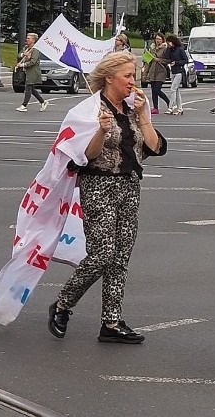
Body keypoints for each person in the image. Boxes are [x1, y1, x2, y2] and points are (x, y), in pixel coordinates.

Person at [47, 51, 166, 343]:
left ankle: (111, 323)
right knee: (102, 254)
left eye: (133, 76)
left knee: (120, 257)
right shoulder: (90, 109)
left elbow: (155, 147)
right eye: (127, 76)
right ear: (110, 77)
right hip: (99, 185)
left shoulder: (131, 108)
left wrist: (143, 117)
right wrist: (100, 130)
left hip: (129, 185)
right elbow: (85, 156)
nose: (132, 81)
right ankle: (62, 304)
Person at [15, 33, 48, 113]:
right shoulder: (26, 48)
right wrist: (24, 54)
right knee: (31, 88)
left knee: (28, 88)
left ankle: (24, 105)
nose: (27, 39)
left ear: (33, 40)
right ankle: (43, 102)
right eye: (27, 38)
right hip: (27, 71)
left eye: (29, 38)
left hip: (33, 72)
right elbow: (19, 55)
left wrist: (22, 64)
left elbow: (33, 62)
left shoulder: (35, 50)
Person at [143, 33, 170, 115]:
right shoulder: (152, 49)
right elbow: (148, 62)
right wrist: (145, 73)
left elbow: (168, 60)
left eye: (159, 39)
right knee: (153, 91)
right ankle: (155, 108)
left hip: (161, 71)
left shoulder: (165, 49)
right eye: (156, 39)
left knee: (157, 89)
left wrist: (160, 60)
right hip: (152, 71)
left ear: (162, 40)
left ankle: (169, 102)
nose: (158, 40)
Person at [164, 35, 188, 115]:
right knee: (177, 91)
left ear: (172, 42)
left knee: (173, 89)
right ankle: (180, 108)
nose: (168, 44)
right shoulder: (170, 50)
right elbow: (166, 57)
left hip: (179, 71)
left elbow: (185, 60)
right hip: (173, 71)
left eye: (168, 43)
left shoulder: (180, 50)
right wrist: (168, 48)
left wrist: (176, 63)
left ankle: (170, 108)